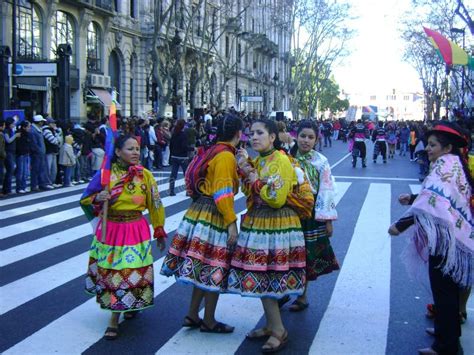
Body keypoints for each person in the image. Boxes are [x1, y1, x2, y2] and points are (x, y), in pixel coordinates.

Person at [388, 122, 473, 355]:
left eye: (433, 145)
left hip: (446, 240)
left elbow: (431, 205)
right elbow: (439, 199)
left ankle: (447, 347)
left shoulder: (444, 166)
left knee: (444, 292)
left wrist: (401, 225)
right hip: (454, 237)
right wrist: (414, 197)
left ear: (447, 148)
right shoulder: (455, 164)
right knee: (449, 292)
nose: (428, 148)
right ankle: (447, 332)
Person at [229, 119, 306, 353]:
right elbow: (250, 191)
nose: (254, 137)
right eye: (251, 133)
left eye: (260, 133)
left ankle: (279, 330)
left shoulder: (280, 159)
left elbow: (276, 198)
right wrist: (248, 172)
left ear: (273, 137)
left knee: (269, 277)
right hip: (259, 222)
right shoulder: (260, 160)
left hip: (276, 224)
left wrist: (253, 179)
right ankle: (272, 325)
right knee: (261, 276)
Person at [161, 114, 243, 333]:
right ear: (239, 134)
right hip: (214, 214)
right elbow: (223, 192)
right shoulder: (226, 156)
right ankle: (208, 320)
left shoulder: (212, 150)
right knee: (215, 267)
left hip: (198, 210)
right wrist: (231, 222)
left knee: (201, 266)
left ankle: (192, 313)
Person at [80, 135, 167, 340]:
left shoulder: (145, 175)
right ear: (117, 152)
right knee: (115, 273)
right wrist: (97, 198)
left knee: (131, 271)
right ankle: (113, 319)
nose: (136, 152)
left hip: (135, 229)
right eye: (130, 149)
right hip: (111, 230)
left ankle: (128, 304)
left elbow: (155, 204)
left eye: (137, 148)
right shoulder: (105, 176)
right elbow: (85, 199)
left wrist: (159, 229)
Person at [280, 120, 339, 311]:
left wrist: (327, 221)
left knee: (306, 255)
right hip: (287, 211)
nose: (306, 140)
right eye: (303, 136)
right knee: (285, 253)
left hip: (309, 214)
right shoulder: (285, 156)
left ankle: (302, 296)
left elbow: (326, 191)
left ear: (316, 139)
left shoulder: (321, 161)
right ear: (296, 135)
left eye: (311, 137)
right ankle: (283, 291)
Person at [169, 119, 190, 196]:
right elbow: (184, 147)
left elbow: (171, 145)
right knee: (186, 174)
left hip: (174, 156)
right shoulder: (184, 135)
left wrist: (171, 154)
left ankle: (171, 190)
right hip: (183, 157)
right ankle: (188, 190)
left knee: (173, 174)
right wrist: (192, 149)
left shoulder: (174, 134)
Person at [2, 117, 19, 195]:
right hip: (8, 152)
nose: (14, 125)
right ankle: (7, 189)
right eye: (12, 123)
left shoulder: (12, 130)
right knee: (10, 170)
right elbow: (8, 140)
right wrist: (15, 136)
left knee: (11, 170)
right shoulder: (6, 131)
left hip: (12, 152)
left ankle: (7, 188)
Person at [15, 120, 31, 194]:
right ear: (24, 127)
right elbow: (18, 145)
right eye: (28, 127)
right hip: (21, 154)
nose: (29, 128)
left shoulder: (27, 134)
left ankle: (23, 187)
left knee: (25, 172)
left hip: (26, 154)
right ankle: (19, 188)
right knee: (20, 172)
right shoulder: (19, 134)